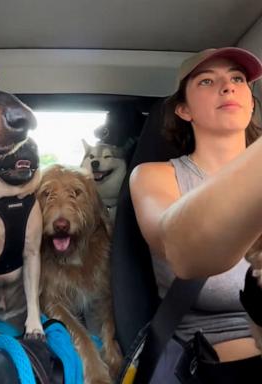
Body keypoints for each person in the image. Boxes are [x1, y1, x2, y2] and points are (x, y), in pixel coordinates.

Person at [129, 47, 262, 382]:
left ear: (250, 100)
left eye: (237, 78)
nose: (228, 86)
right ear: (184, 110)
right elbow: (180, 250)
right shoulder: (154, 176)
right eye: (207, 81)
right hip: (212, 361)